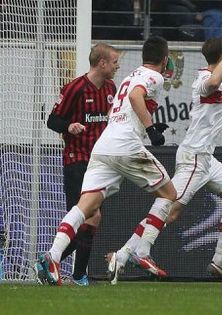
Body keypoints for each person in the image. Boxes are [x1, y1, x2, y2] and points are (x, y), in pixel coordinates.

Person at [105, 29, 222, 284]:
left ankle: (219, 260)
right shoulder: (205, 79)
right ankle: (124, 254)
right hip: (194, 157)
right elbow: (215, 82)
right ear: (221, 55)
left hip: (207, 159)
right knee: (169, 210)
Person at [35, 36, 177, 286]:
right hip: (121, 147)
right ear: (164, 60)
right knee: (169, 194)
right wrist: (150, 128)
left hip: (102, 146)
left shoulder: (128, 76)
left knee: (85, 207)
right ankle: (140, 250)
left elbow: (118, 109)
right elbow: (135, 97)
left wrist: (142, 125)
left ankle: (53, 256)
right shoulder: (154, 77)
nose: (117, 66)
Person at [44, 43, 119, 286]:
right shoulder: (75, 87)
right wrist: (68, 126)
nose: (117, 66)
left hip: (100, 164)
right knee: (87, 215)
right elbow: (52, 120)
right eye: (114, 61)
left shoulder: (111, 89)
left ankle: (75, 274)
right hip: (76, 160)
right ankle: (58, 266)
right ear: (102, 63)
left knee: (92, 218)